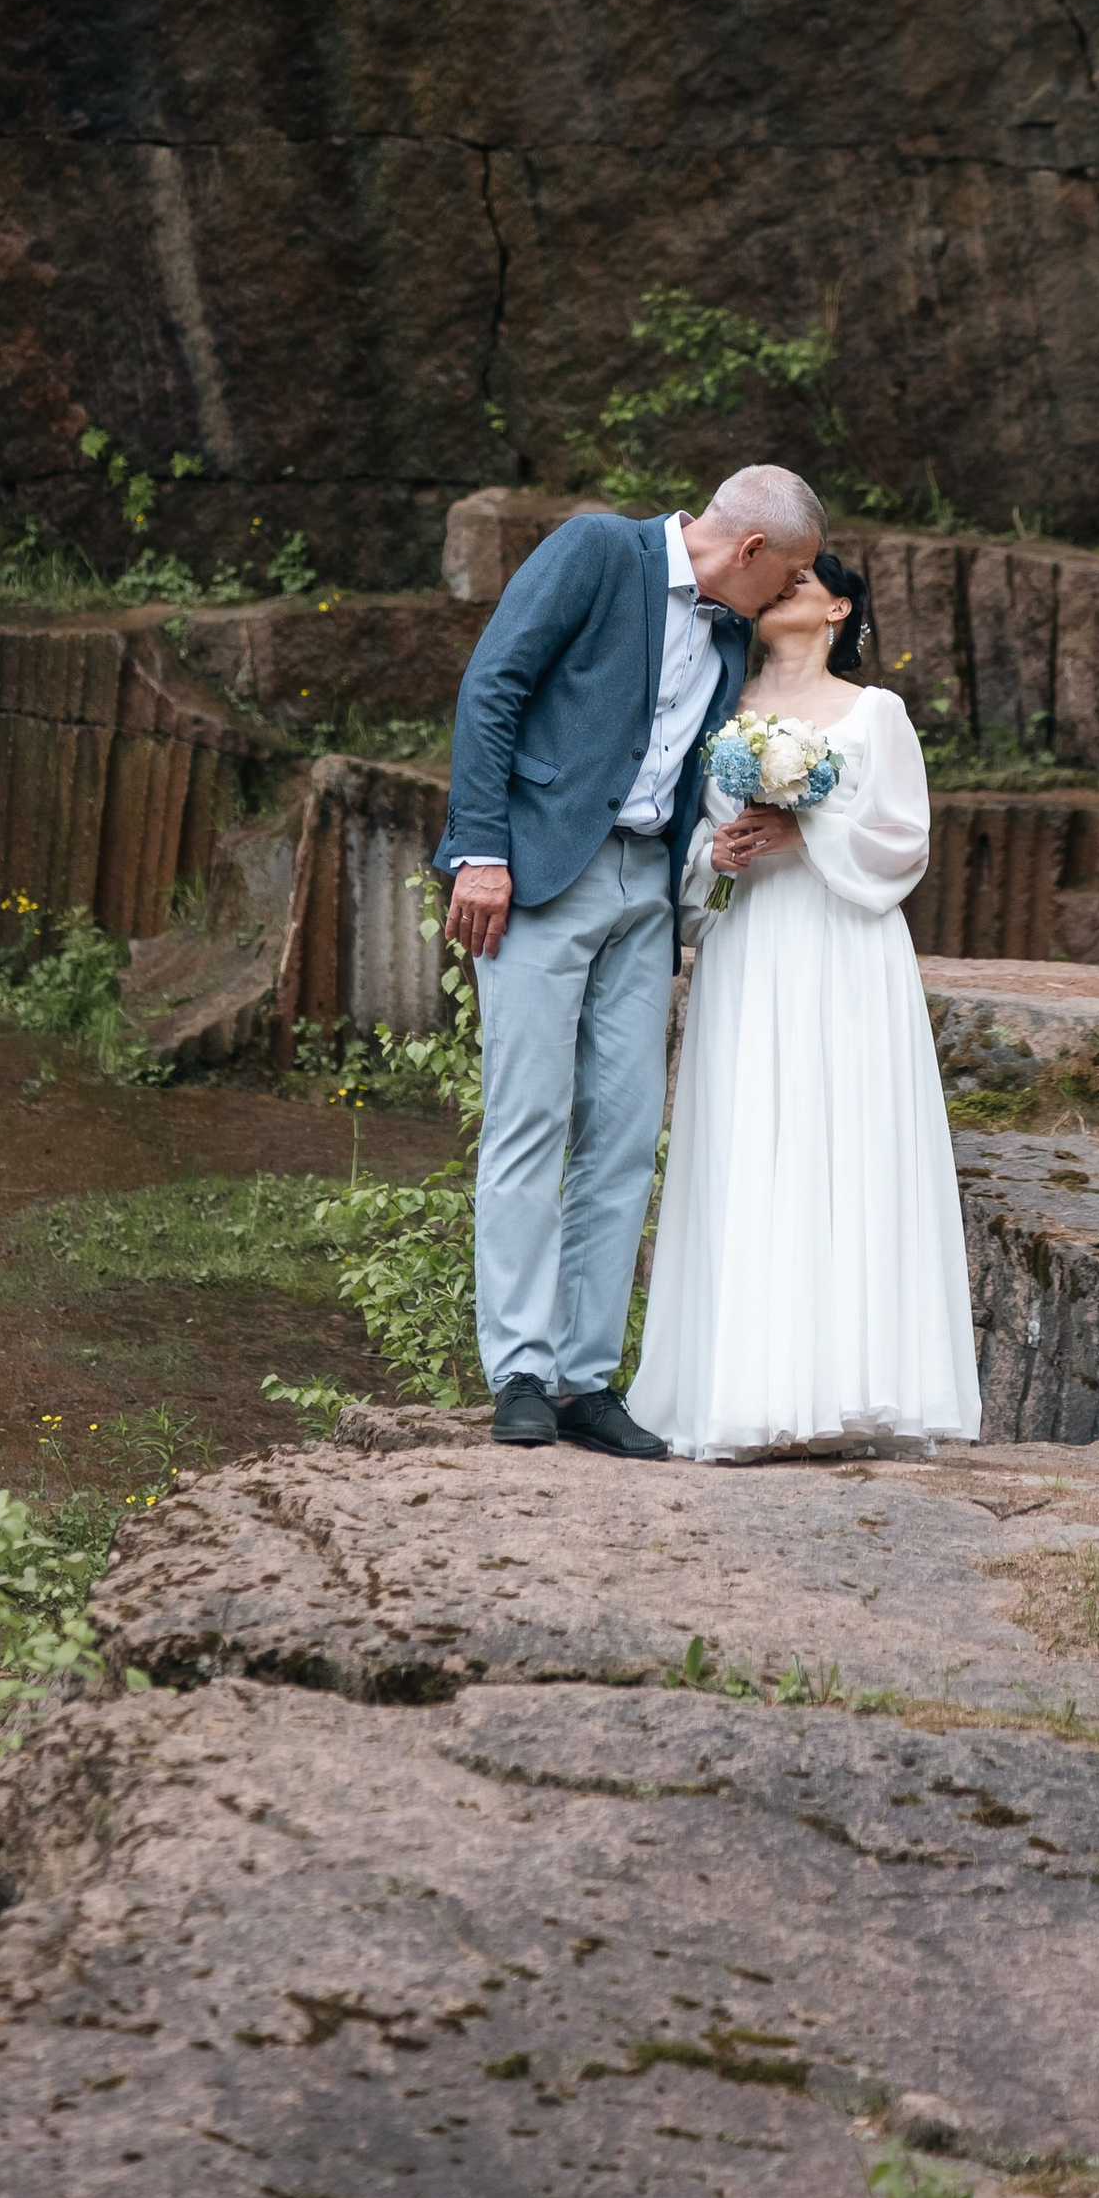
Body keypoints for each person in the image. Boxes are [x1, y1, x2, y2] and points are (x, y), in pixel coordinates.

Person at [435, 468, 825, 1453]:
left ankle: (583, 1380)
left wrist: (724, 841)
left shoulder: (732, 631)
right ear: (748, 552)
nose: (787, 593)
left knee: (622, 1135)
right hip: (535, 879)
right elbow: (493, 686)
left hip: (646, 892)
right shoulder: (598, 550)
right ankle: (518, 1370)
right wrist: (480, 851)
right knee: (529, 1122)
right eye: (788, 574)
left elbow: (699, 762)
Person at [627, 548, 981, 1461]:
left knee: (847, 1142)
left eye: (804, 583)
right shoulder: (722, 711)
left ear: (839, 612)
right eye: (775, 581)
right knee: (749, 1140)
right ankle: (742, 1392)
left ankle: (853, 1390)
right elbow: (692, 836)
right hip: (750, 945)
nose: (784, 589)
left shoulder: (877, 713)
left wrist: (805, 825)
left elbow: (905, 845)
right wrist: (721, 855)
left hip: (845, 946)